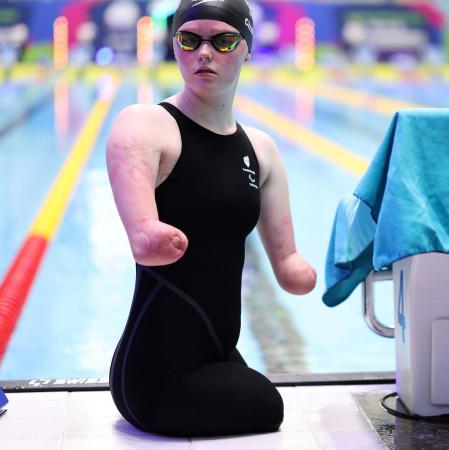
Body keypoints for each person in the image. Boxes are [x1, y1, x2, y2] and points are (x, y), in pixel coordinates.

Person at [106, 0, 316, 437]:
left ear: (246, 48)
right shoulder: (145, 124)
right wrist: (149, 234)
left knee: (259, 396)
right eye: (190, 39)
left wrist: (301, 268)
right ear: (175, 46)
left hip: (215, 356)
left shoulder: (260, 149)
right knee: (267, 406)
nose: (205, 52)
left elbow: (289, 266)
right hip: (156, 373)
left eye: (222, 40)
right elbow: (141, 237)